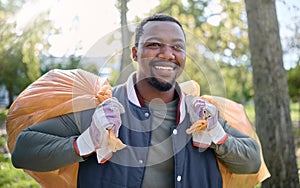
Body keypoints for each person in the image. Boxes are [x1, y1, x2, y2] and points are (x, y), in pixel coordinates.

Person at [11, 14, 261, 188]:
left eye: (177, 47)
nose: (167, 54)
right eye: (154, 45)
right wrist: (87, 141)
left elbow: (252, 162)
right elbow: (24, 151)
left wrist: (218, 135)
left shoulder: (202, 114)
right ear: (135, 53)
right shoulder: (100, 109)